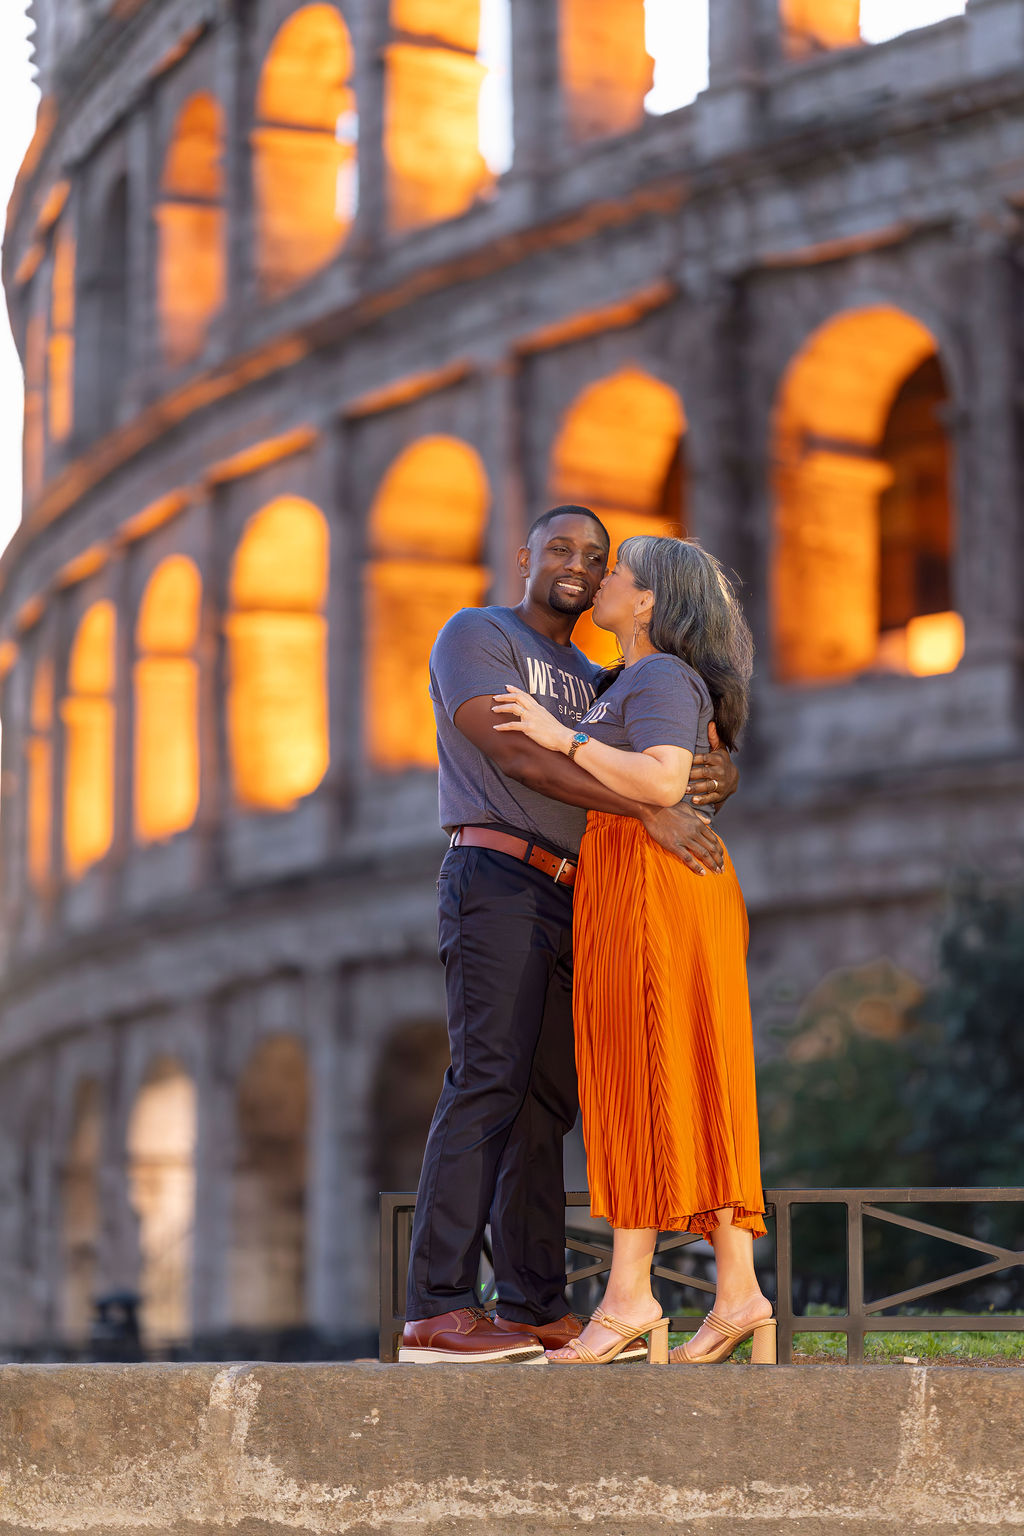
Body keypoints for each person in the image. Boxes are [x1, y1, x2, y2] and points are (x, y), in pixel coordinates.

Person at [398, 507, 740, 1364]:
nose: (581, 566)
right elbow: (518, 755)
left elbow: (661, 742)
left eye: (598, 557)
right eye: (562, 549)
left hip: (580, 896)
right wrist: (650, 813)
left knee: (546, 1106)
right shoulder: (477, 634)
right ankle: (437, 1307)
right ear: (525, 557)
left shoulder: (600, 675)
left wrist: (719, 764)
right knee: (486, 1079)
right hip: (497, 876)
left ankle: (533, 1303)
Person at [492, 534, 773, 1366]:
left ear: (646, 601)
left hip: (650, 885)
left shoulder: (656, 674)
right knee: (687, 1072)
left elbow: (657, 780)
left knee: (641, 1073)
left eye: (617, 574)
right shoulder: (646, 678)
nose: (603, 581)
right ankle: (736, 1292)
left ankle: (628, 1298)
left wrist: (557, 734)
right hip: (650, 884)